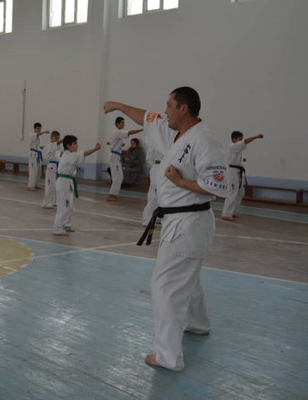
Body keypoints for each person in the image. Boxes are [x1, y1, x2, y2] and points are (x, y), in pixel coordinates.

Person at [104, 86, 230, 371]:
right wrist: (119, 105)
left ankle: (168, 357)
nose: (165, 111)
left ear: (183, 108)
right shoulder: (174, 134)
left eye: (169, 106)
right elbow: (147, 118)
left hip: (188, 221)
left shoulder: (204, 141)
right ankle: (198, 323)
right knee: (188, 277)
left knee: (165, 286)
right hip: (181, 221)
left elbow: (218, 186)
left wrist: (180, 182)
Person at [52, 136, 101, 236]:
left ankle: (66, 225)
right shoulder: (68, 155)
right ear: (68, 145)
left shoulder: (70, 155)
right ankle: (57, 229)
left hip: (68, 182)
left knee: (69, 206)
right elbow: (83, 153)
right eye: (74, 144)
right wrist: (95, 149)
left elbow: (78, 160)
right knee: (63, 206)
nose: (77, 146)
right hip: (63, 183)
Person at [221, 131, 264, 221]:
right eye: (240, 139)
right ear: (234, 139)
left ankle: (232, 212)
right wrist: (256, 136)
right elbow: (245, 141)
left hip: (237, 171)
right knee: (232, 192)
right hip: (232, 172)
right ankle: (226, 214)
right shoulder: (232, 146)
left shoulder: (237, 150)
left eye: (241, 139)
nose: (241, 141)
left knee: (240, 193)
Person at [107, 117, 143, 201]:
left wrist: (119, 146)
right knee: (117, 177)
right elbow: (130, 132)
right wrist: (141, 129)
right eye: (122, 122)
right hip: (114, 157)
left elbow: (110, 142)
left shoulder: (116, 133)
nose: (124, 124)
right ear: (117, 124)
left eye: (124, 122)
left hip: (116, 156)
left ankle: (114, 193)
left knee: (120, 176)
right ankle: (111, 194)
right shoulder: (117, 132)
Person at [142, 145, 164, 226]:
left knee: (163, 194)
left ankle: (158, 217)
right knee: (154, 195)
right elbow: (149, 158)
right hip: (158, 167)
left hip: (165, 167)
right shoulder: (154, 142)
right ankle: (147, 219)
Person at [41, 131, 62, 209]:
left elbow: (59, 156)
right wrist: (65, 139)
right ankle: (45, 203)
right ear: (51, 138)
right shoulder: (51, 145)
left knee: (56, 186)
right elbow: (57, 143)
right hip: (52, 167)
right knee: (50, 186)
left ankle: (54, 202)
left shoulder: (58, 147)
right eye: (56, 138)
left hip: (57, 167)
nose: (57, 140)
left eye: (58, 138)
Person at [28, 122, 49, 191]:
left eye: (40, 129)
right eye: (37, 128)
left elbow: (35, 146)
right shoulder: (32, 134)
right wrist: (45, 132)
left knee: (38, 170)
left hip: (37, 154)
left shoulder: (37, 137)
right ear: (34, 128)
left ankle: (35, 185)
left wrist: (40, 148)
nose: (39, 130)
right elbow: (37, 134)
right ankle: (30, 186)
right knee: (33, 170)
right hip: (33, 155)